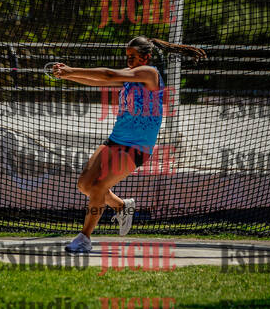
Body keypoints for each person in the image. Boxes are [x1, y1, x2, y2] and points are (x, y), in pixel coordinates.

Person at [52, 36, 206, 253]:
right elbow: (101, 81)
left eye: (133, 57)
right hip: (115, 139)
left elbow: (108, 74)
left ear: (146, 57)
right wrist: (68, 75)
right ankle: (122, 206)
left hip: (137, 147)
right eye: (128, 57)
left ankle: (84, 238)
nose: (129, 61)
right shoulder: (130, 75)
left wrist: (72, 69)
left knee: (98, 187)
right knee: (85, 184)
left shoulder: (150, 73)